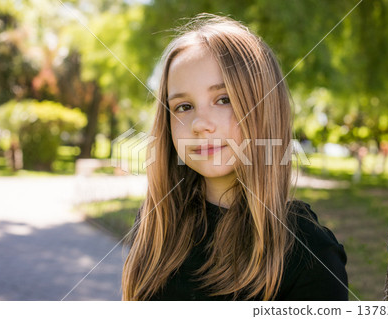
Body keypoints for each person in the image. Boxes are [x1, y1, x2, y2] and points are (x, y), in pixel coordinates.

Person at [122, 13, 348, 301]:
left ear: (265, 108)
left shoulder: (307, 251)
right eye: (184, 106)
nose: (200, 124)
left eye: (223, 99)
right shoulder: (157, 224)